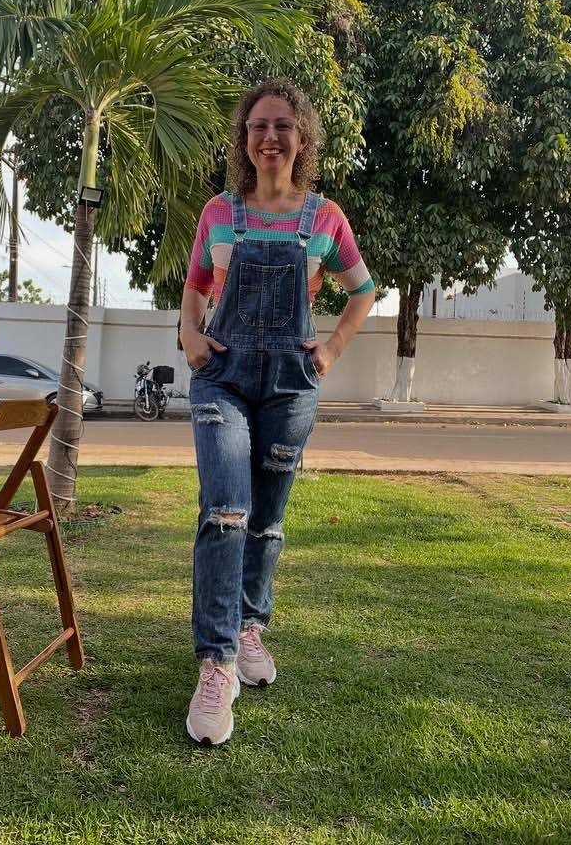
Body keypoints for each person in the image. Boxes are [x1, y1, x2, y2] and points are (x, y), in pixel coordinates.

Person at [179, 80, 375, 745]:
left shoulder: (324, 217)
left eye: (283, 126)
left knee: (265, 522)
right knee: (225, 511)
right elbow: (195, 286)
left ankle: (248, 627)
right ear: (244, 138)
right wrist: (188, 333)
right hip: (223, 380)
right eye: (258, 125)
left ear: (302, 138)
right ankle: (216, 662)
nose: (270, 137)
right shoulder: (219, 212)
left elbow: (362, 290)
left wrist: (332, 349)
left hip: (292, 385)